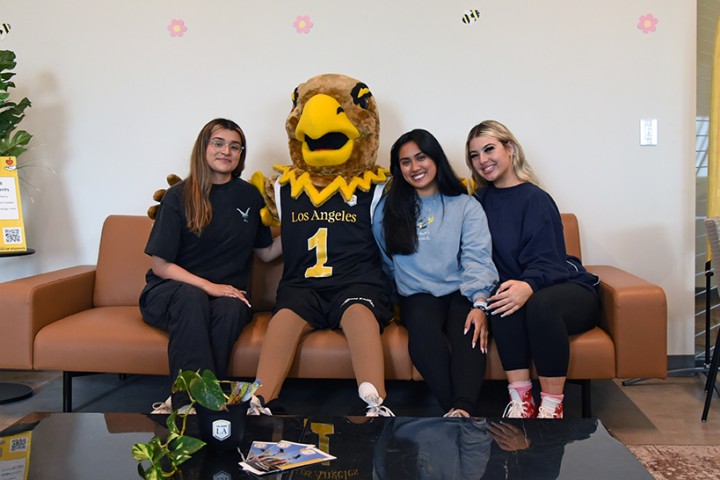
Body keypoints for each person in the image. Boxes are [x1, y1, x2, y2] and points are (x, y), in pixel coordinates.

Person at [140, 118, 281, 413]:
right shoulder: (179, 196)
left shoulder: (249, 196)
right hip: (170, 292)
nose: (226, 151)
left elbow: (266, 252)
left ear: (241, 154)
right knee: (193, 299)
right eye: (218, 143)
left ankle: (199, 403)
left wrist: (302, 227)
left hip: (228, 295)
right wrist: (209, 287)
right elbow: (161, 265)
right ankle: (189, 404)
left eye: (235, 146)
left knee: (233, 307)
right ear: (203, 147)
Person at [465, 120, 600, 419]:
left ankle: (552, 406)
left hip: (563, 288)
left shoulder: (536, 198)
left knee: (537, 303)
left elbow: (549, 261)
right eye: (475, 155)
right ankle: (521, 400)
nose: (483, 160)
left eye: (489, 149)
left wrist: (528, 285)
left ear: (510, 149)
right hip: (518, 290)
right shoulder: (476, 203)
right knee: (503, 297)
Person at [247, 153, 396, 418]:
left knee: (359, 315)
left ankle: (375, 402)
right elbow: (266, 248)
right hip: (302, 287)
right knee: (283, 320)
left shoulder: (374, 187)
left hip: (356, 284)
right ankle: (259, 399)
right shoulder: (283, 187)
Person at [373, 129, 498, 418]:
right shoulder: (387, 209)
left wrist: (480, 302)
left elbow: (477, 258)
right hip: (416, 295)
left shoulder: (466, 205)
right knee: (422, 331)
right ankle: (455, 409)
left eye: (421, 157)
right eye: (405, 162)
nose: (415, 167)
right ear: (398, 168)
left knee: (468, 331)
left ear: (436, 159)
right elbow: (385, 257)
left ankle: (463, 409)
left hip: (461, 290)